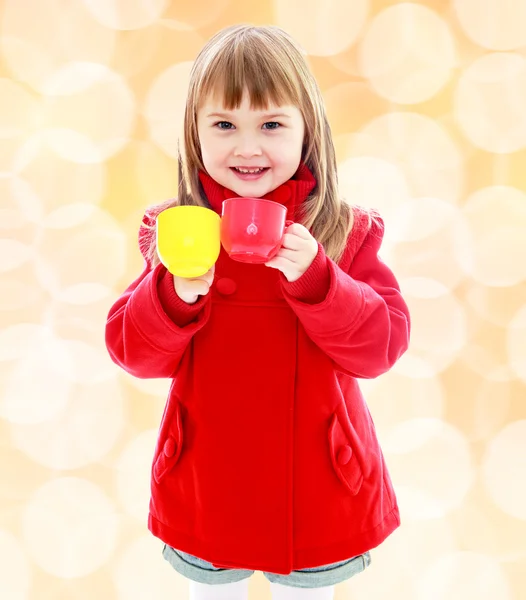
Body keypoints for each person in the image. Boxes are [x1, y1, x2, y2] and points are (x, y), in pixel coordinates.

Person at [105, 24, 411, 600]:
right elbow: (131, 352)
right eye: (224, 125)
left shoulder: (345, 232)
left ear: (307, 131)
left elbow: (381, 347)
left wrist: (321, 280)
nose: (247, 148)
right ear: (194, 137)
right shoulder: (174, 232)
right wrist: (174, 294)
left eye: (271, 124)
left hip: (320, 489)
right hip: (205, 485)